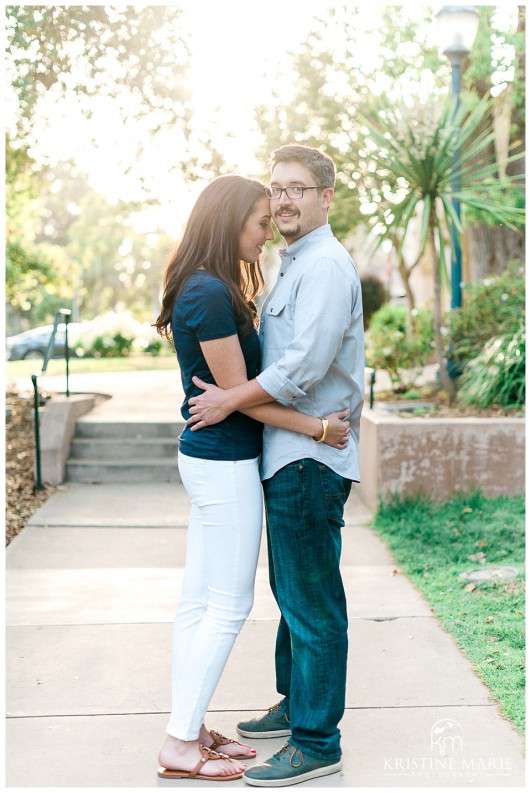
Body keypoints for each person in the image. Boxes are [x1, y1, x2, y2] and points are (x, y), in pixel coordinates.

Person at [153, 173, 350, 782]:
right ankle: (181, 743)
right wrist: (317, 429)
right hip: (224, 460)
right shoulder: (208, 292)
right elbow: (244, 398)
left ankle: (189, 727)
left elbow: (235, 395)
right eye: (260, 221)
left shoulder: (208, 285)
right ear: (229, 219)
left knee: (196, 604)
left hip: (214, 456)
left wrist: (231, 400)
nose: (267, 234)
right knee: (228, 605)